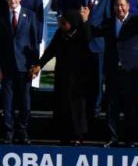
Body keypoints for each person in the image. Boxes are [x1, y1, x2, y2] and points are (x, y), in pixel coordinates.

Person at [32, 13, 96, 145]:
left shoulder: (81, 35)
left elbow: (89, 39)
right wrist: (39, 64)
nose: (61, 25)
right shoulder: (59, 35)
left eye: (64, 23)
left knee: (78, 110)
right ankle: (63, 136)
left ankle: (78, 136)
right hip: (62, 78)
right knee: (62, 107)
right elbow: (50, 51)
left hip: (78, 80)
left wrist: (84, 21)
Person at [0, 0, 42, 144]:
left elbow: (34, 42)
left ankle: (22, 131)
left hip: (25, 66)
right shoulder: (1, 18)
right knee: (7, 103)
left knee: (25, 103)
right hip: (7, 66)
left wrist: (35, 65)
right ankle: (8, 132)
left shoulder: (30, 16)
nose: (12, 0)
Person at [103, 0, 138, 147]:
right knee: (112, 105)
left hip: (130, 69)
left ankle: (130, 139)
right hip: (113, 69)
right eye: (116, 5)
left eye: (122, 5)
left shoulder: (136, 21)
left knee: (130, 106)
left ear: (128, 6)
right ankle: (113, 138)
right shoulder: (108, 22)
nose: (119, 8)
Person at [82, 0, 111, 120]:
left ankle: (96, 109)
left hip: (98, 45)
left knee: (98, 79)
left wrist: (90, 24)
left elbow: (107, 23)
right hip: (82, 46)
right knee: (84, 79)